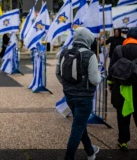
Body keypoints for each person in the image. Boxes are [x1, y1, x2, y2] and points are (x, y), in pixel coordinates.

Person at [56, 27, 101, 160]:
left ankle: (90, 151)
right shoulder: (90, 55)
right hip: (85, 98)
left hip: (69, 95)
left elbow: (58, 74)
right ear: (88, 39)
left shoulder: (64, 52)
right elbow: (94, 79)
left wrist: (67, 85)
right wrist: (100, 77)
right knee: (77, 127)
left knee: (79, 124)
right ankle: (68, 157)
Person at [108, 27, 137, 151]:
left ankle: (123, 142)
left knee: (122, 116)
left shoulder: (119, 49)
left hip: (120, 88)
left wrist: (110, 84)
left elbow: (111, 69)